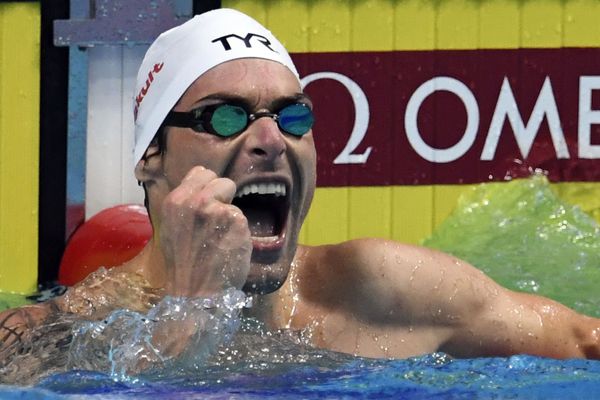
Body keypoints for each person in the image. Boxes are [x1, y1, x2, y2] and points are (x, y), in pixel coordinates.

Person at [1, 8, 599, 366]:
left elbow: (582, 343)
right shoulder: (59, 337)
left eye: (293, 117)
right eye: (225, 117)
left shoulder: (382, 292)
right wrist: (191, 311)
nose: (270, 139)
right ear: (151, 157)